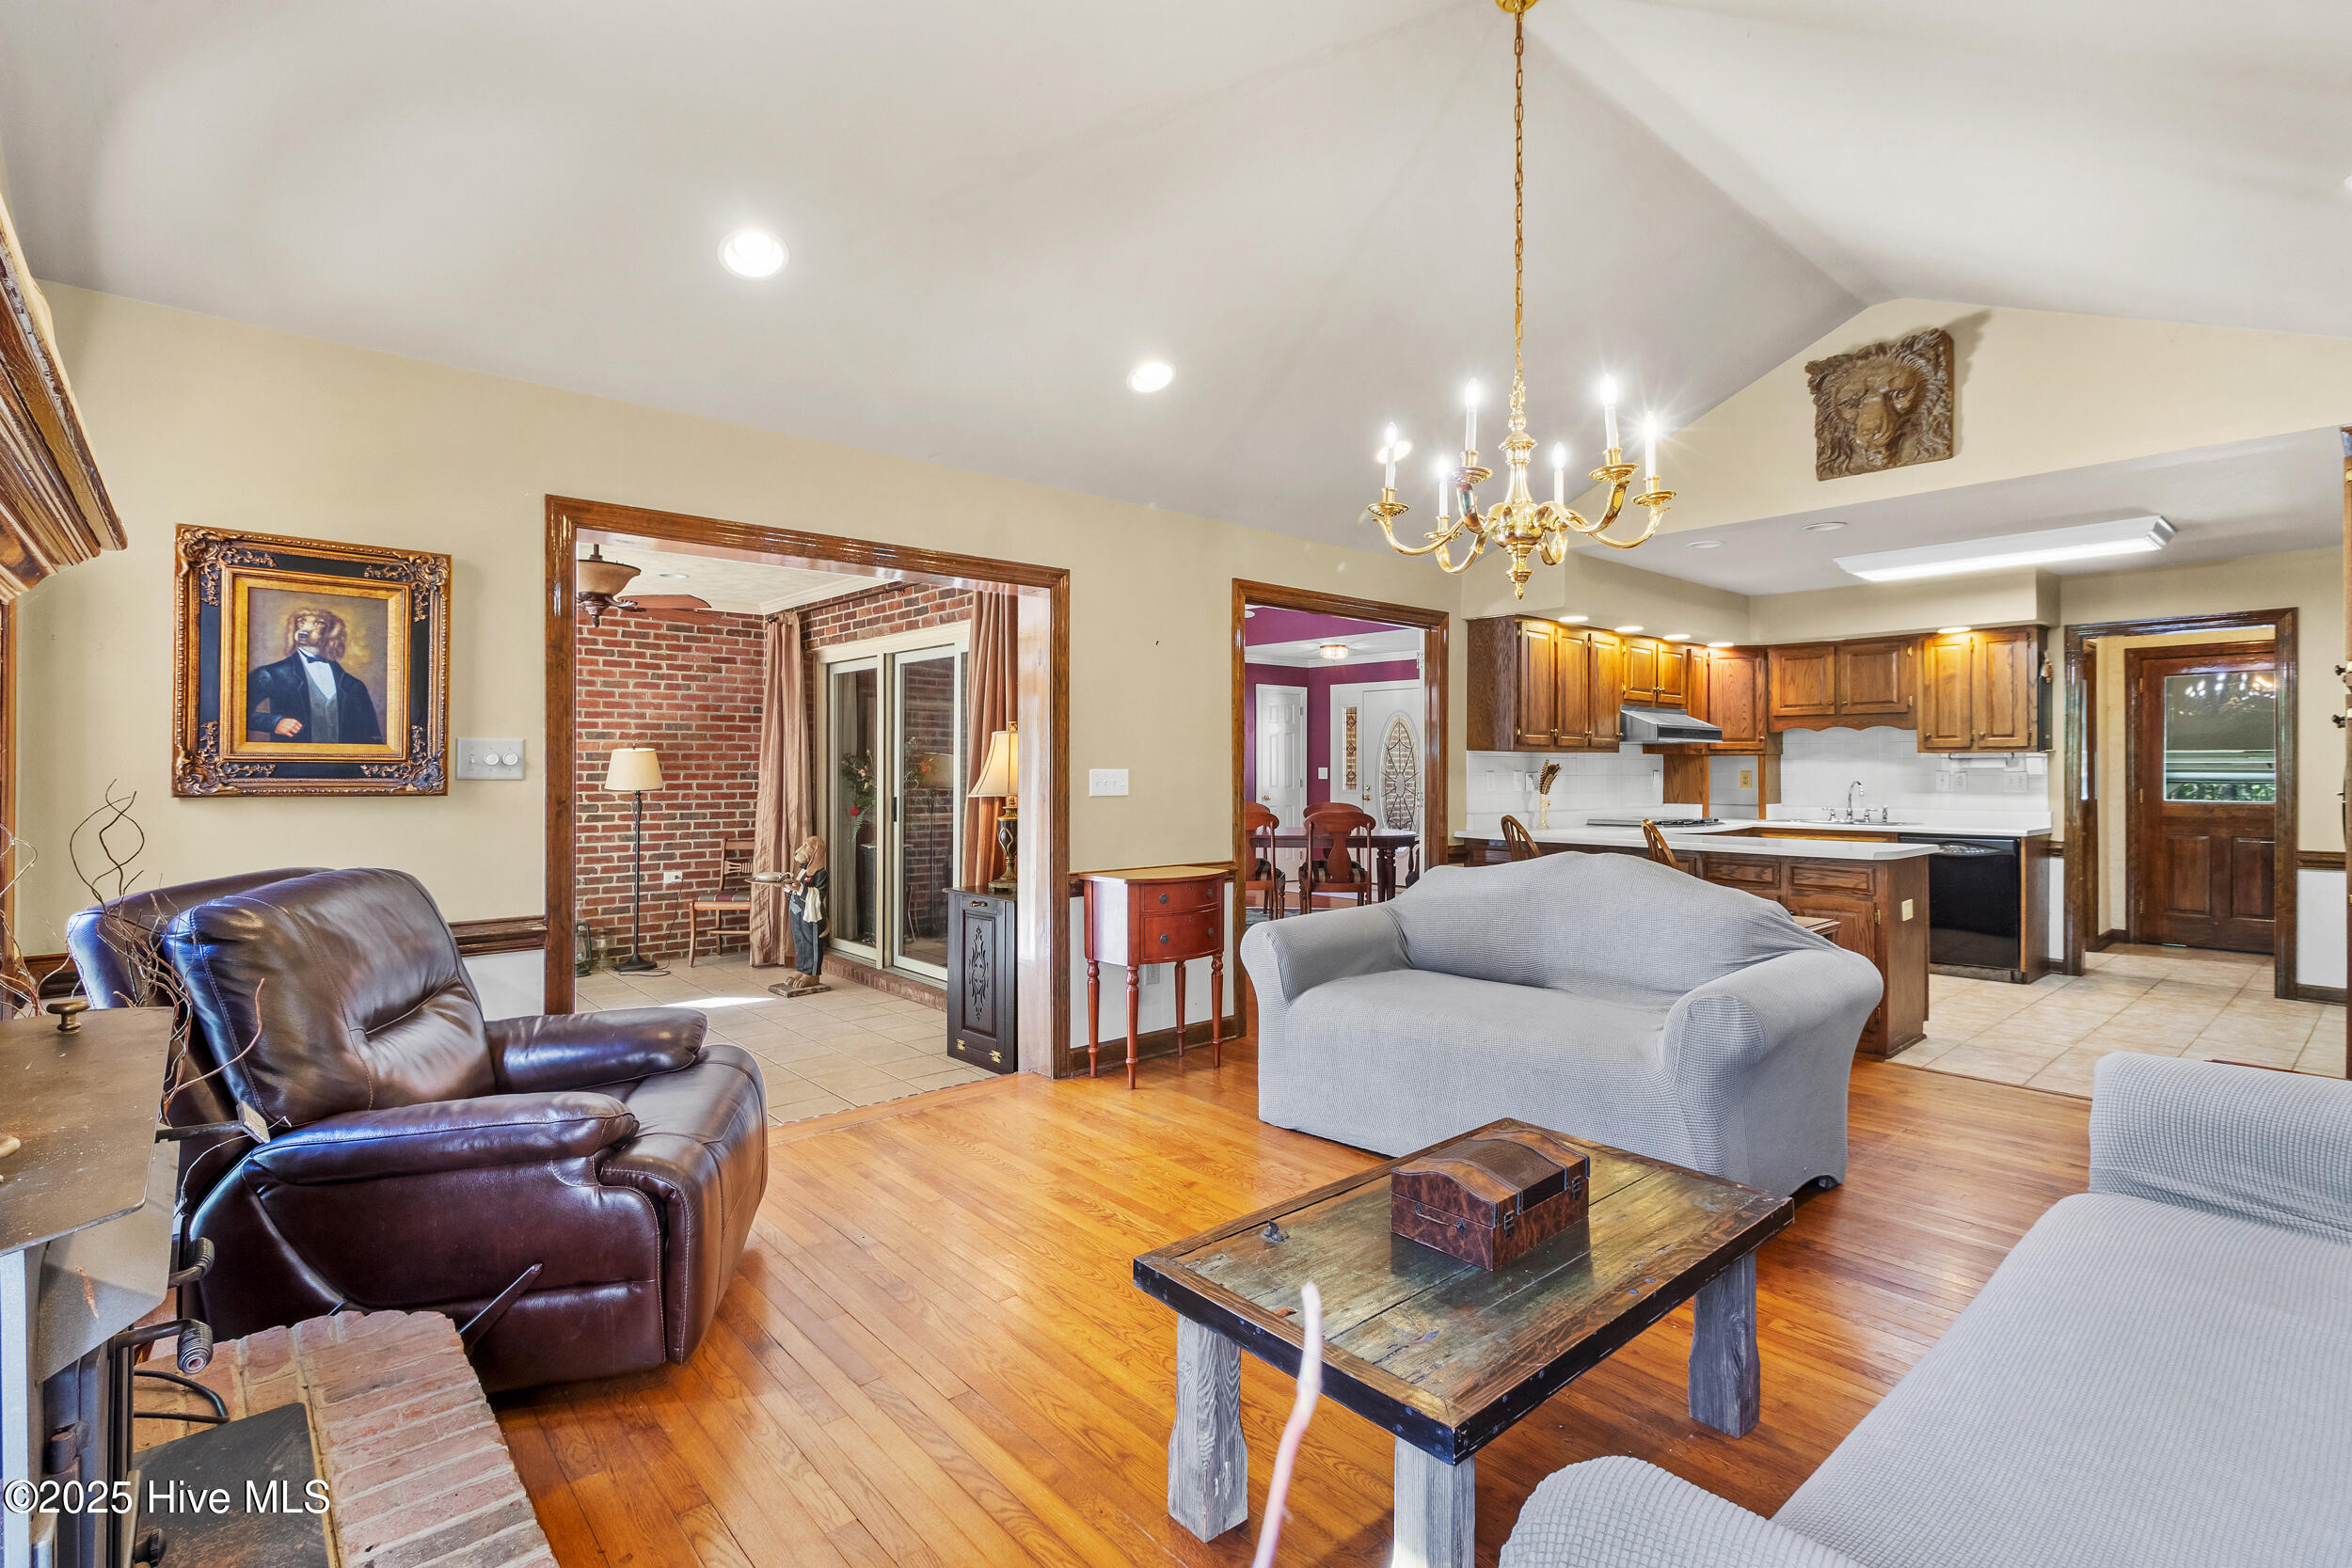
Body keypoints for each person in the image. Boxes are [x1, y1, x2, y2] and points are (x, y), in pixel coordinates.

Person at [246, 606, 383, 744]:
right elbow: (232, 715)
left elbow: (372, 737)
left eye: (319, 623)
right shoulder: (270, 674)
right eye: (301, 622)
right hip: (293, 763)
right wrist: (274, 722)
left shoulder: (353, 685)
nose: (304, 630)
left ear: (331, 632)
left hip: (343, 764)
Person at [770, 835, 829, 998]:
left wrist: (799, 888)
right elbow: (796, 888)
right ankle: (802, 969)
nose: (800, 850)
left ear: (816, 852)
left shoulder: (821, 874)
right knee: (800, 941)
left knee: (812, 942)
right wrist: (785, 885)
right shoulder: (803, 870)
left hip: (812, 916)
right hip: (797, 911)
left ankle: (813, 974)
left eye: (807, 846)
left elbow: (818, 895)